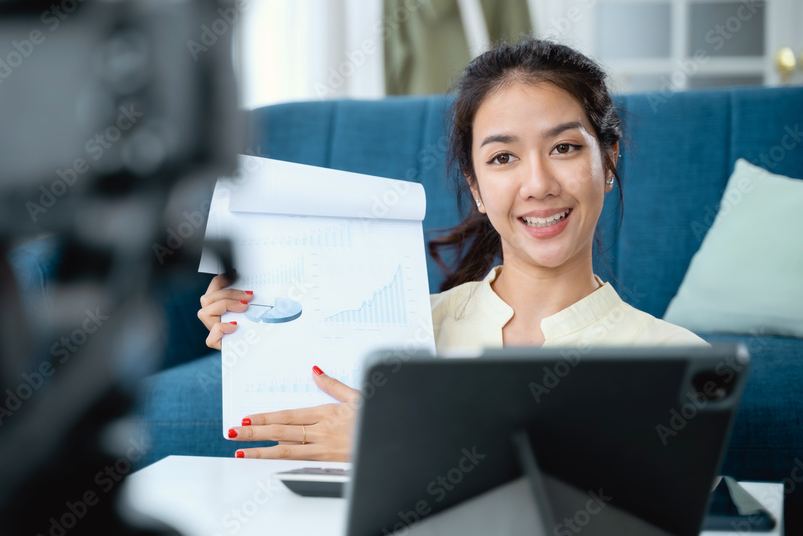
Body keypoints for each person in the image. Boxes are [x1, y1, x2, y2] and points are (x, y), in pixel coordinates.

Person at [196, 39, 706, 463]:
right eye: (503, 157)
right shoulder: (401, 334)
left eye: (565, 148)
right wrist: (252, 339)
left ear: (609, 161)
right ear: (478, 188)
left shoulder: (676, 361)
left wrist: (393, 444)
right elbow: (304, 432)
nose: (537, 183)